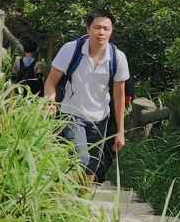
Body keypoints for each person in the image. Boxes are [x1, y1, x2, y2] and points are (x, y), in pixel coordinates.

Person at [42, 11, 130, 181]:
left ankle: (80, 201)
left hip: (100, 117)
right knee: (82, 159)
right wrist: (50, 102)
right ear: (88, 28)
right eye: (97, 27)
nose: (101, 32)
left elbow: (119, 96)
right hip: (72, 113)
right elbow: (51, 82)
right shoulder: (70, 50)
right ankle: (67, 196)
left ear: (112, 31)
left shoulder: (118, 58)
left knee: (92, 169)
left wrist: (120, 131)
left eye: (106, 28)